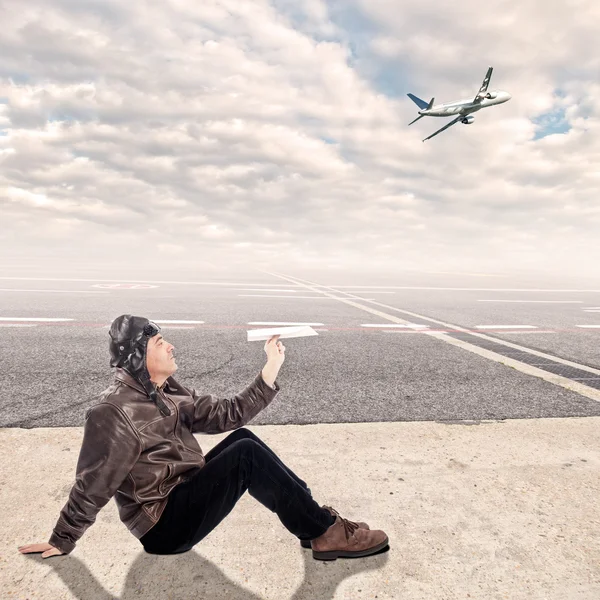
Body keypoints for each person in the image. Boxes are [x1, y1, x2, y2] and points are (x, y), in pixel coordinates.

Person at [18, 314, 389, 561]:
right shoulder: (114, 411)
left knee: (244, 438)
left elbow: (228, 415)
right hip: (163, 525)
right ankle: (324, 532)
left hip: (182, 493)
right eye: (160, 342)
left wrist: (269, 370)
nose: (170, 346)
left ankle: (314, 521)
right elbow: (93, 483)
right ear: (137, 355)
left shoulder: (164, 390)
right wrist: (62, 539)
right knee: (245, 454)